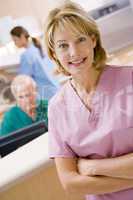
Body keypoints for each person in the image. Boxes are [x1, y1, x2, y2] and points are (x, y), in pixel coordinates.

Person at [44, 1, 133, 200]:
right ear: (54, 53)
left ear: (93, 40)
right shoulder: (57, 108)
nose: (74, 52)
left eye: (80, 39)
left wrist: (92, 167)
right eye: (63, 45)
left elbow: (80, 180)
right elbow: (71, 184)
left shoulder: (130, 80)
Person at [10, 26, 59, 100]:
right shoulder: (39, 48)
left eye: (15, 40)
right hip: (56, 89)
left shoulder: (27, 55)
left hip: (45, 95)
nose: (14, 43)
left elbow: (22, 79)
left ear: (22, 37)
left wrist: (5, 75)